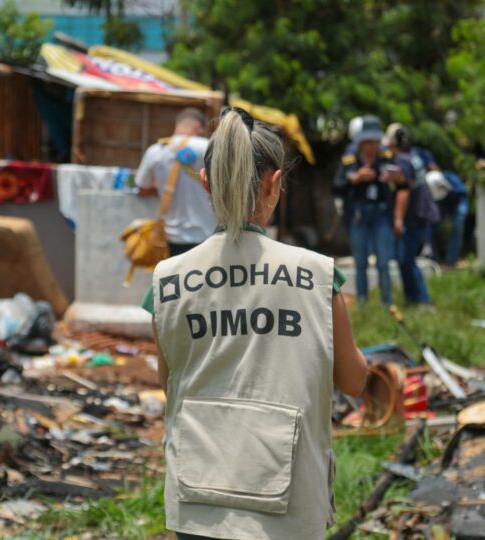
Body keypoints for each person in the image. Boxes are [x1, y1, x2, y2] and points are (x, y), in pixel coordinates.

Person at [142, 108, 368, 540]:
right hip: (286, 500)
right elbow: (353, 380)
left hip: (199, 494)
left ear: (206, 182)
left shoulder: (167, 279)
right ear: (275, 183)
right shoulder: (317, 274)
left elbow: (167, 379)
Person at [333, 116, 410, 305]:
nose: (370, 146)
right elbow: (336, 186)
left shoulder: (387, 157)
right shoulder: (350, 159)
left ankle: (387, 304)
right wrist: (355, 178)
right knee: (361, 263)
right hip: (358, 215)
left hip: (382, 214)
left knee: (384, 262)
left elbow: (404, 186)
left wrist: (397, 178)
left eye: (374, 141)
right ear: (360, 142)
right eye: (367, 141)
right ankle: (363, 303)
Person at [135, 108, 217, 256]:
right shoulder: (209, 147)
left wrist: (162, 187)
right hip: (208, 236)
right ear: (198, 127)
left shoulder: (156, 150)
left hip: (172, 238)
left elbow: (142, 190)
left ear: (177, 126)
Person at [383, 123, 439, 305]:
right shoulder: (414, 156)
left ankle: (422, 300)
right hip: (421, 212)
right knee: (405, 258)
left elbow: (403, 191)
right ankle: (413, 298)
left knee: (406, 259)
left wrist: (398, 220)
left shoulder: (401, 161)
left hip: (411, 216)